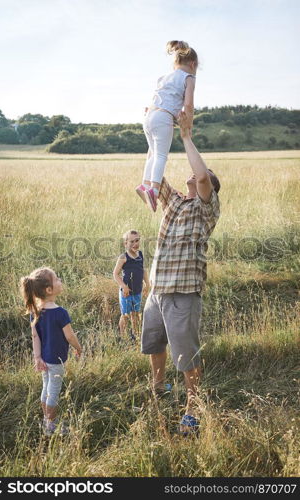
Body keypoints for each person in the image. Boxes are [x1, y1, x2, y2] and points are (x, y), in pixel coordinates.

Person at [141, 111, 221, 435]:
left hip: (183, 295)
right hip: (157, 293)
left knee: (186, 355)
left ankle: (192, 407)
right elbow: (154, 178)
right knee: (154, 344)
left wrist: (186, 135)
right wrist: (154, 132)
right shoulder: (175, 203)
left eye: (205, 174)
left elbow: (202, 177)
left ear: (212, 188)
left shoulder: (206, 207)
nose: (196, 174)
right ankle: (159, 389)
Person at [136, 40, 198, 213]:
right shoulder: (189, 78)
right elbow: (189, 105)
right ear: (192, 64)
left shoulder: (164, 77)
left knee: (152, 154)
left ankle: (144, 185)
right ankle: (154, 190)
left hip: (149, 115)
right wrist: (188, 125)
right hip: (163, 117)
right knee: (161, 155)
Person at [20, 266, 82, 437]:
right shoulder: (61, 313)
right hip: (56, 361)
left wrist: (37, 357)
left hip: (44, 359)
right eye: (57, 279)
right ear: (49, 290)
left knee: (46, 387)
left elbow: (35, 337)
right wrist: (79, 348)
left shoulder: (36, 312)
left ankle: (46, 420)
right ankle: (50, 425)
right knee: (53, 390)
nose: (60, 281)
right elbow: (70, 336)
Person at [113, 230, 150, 343]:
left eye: (137, 240)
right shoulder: (123, 257)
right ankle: (122, 337)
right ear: (125, 243)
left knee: (135, 314)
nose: (135, 244)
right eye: (131, 241)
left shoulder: (140, 255)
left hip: (137, 291)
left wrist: (147, 283)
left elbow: (143, 270)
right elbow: (115, 274)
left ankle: (135, 335)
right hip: (126, 292)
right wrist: (123, 286)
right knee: (125, 315)